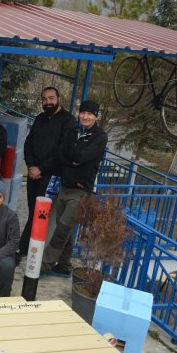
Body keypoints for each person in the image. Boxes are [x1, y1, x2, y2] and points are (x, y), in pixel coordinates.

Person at [41, 100, 108, 277]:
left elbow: (82, 156)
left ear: (96, 116)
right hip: (65, 186)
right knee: (66, 230)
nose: (85, 117)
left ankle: (43, 265)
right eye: (83, 113)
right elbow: (60, 154)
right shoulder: (72, 132)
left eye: (89, 114)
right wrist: (74, 160)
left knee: (62, 230)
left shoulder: (100, 136)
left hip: (81, 191)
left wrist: (72, 156)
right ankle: (64, 266)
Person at [19, 87, 78, 259]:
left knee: (40, 213)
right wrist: (31, 166)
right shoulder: (40, 118)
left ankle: (25, 249)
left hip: (52, 175)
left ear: (59, 98)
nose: (48, 102)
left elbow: (62, 151)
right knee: (32, 210)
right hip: (33, 173)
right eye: (44, 99)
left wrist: (41, 169)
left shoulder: (69, 121)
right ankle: (29, 248)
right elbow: (28, 143)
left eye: (51, 98)